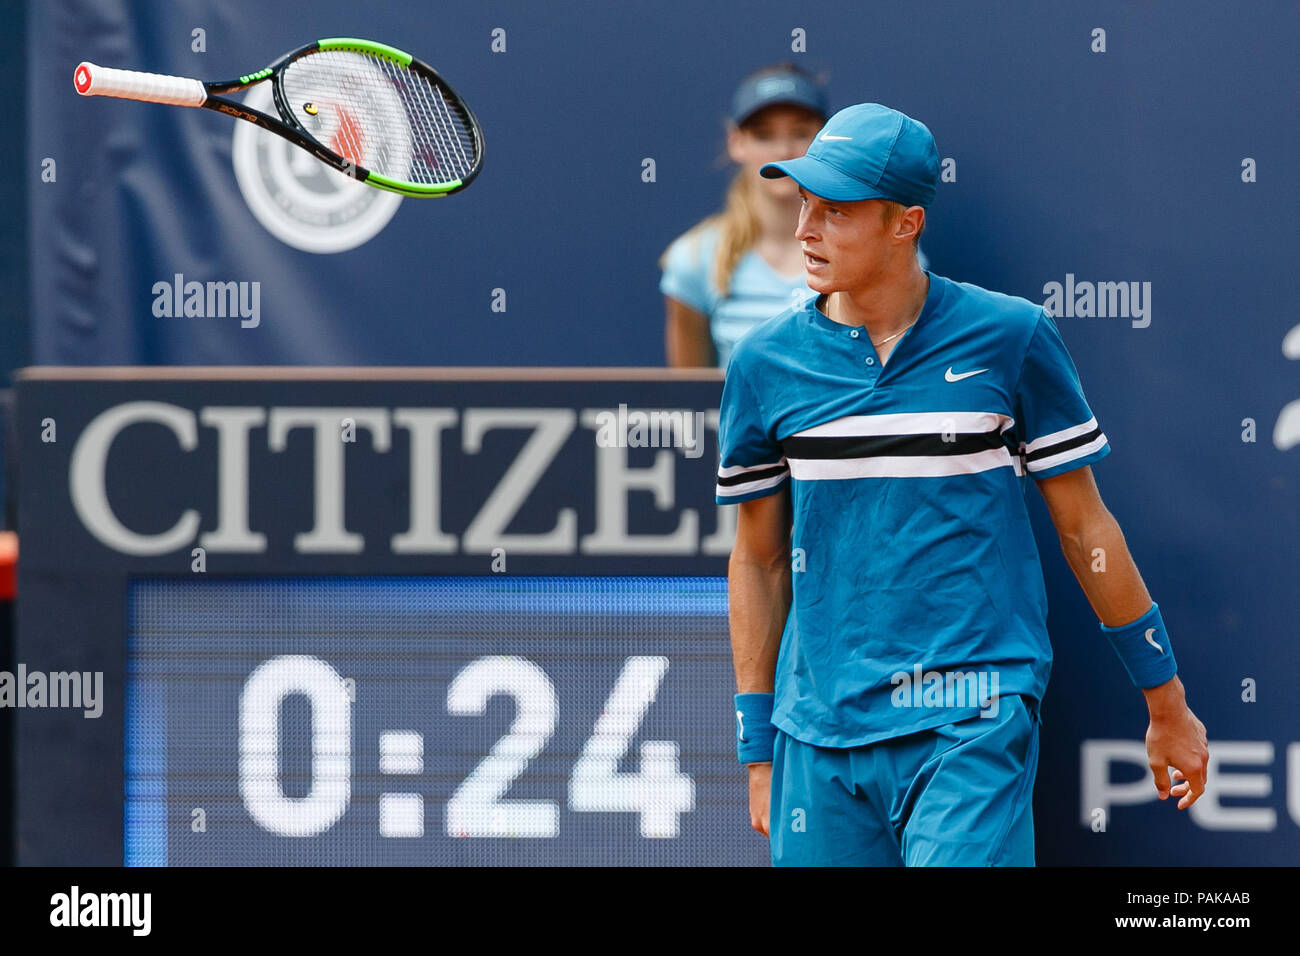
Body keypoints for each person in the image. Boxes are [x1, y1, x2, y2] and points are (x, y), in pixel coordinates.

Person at [716, 102, 1209, 866]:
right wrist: (757, 746)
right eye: (806, 203)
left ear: (906, 222)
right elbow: (759, 559)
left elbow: (1086, 528)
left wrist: (1164, 696)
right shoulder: (762, 366)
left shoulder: (1012, 336)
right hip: (817, 732)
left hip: (970, 712)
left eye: (837, 211)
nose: (806, 229)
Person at [661, 66, 929, 368]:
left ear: (824, 140)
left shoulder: (874, 249)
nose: (783, 149)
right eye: (764, 135)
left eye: (801, 133)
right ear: (736, 142)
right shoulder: (694, 258)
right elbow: (689, 401)